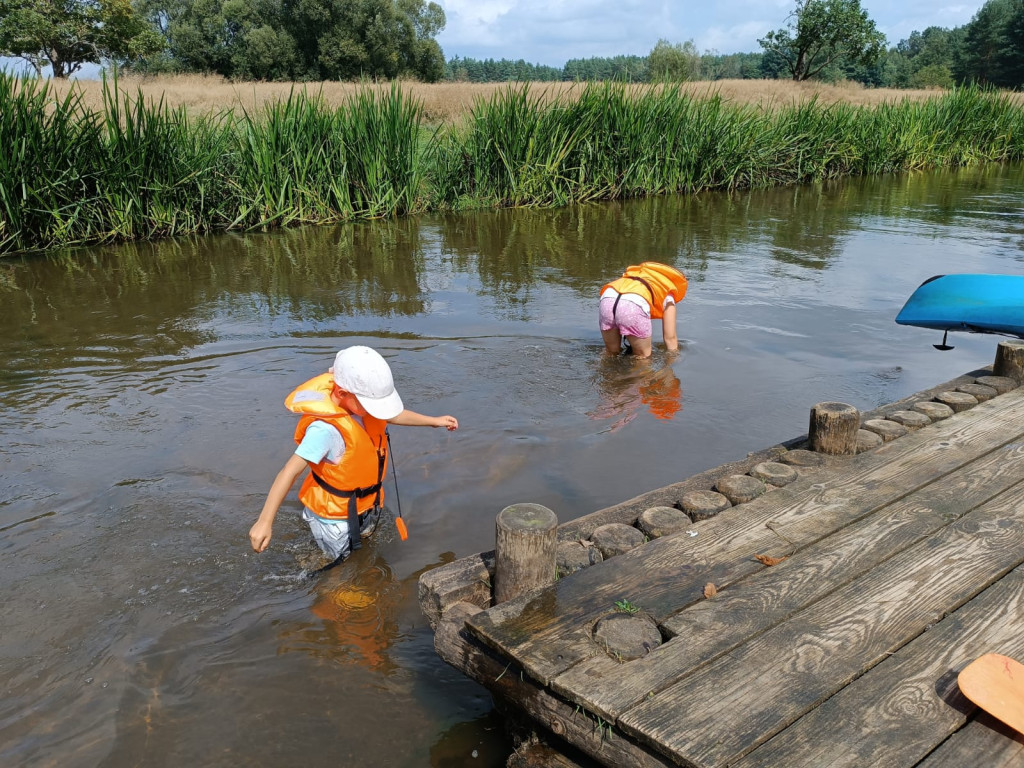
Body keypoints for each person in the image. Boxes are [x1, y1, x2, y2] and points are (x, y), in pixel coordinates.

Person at [249, 345, 458, 567]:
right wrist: (264, 521)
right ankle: (315, 561)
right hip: (333, 518)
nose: (377, 411)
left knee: (362, 548)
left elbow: (393, 415)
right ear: (342, 393)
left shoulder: (362, 409)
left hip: (364, 503)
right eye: (372, 405)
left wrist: (434, 421)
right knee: (340, 563)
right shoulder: (325, 431)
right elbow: (289, 472)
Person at [599, 261, 688, 358]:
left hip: (608, 297)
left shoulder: (633, 277)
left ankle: (602, 372)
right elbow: (670, 338)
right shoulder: (668, 291)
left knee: (611, 353)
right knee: (643, 357)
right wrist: (673, 360)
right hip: (634, 304)